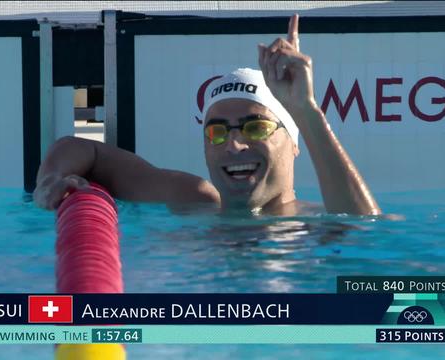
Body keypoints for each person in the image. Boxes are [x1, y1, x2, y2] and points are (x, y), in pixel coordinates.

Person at [34, 14, 380, 216]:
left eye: (255, 128)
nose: (233, 144)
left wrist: (305, 110)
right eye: (216, 132)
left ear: (293, 142)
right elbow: (84, 149)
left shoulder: (318, 224)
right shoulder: (193, 201)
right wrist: (49, 180)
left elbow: (366, 242)